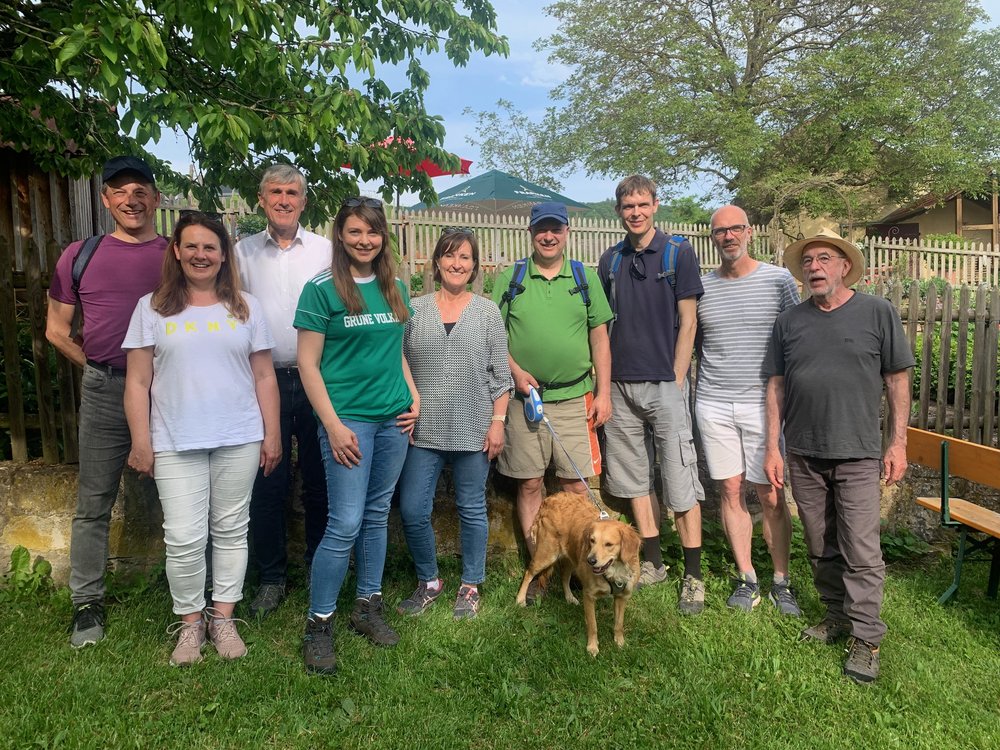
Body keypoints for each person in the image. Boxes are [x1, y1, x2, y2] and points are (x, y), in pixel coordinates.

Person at [122, 212, 281, 666]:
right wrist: (140, 441)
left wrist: (272, 434)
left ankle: (223, 618)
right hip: (174, 439)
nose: (200, 255)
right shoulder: (151, 308)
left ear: (223, 255)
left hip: (239, 436)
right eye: (191, 246)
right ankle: (190, 624)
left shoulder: (246, 307)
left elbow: (264, 375)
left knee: (231, 530)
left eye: (210, 247)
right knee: (184, 537)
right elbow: (137, 382)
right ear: (176, 252)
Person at [763, 228, 913, 683]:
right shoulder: (789, 321)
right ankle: (836, 614)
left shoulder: (877, 312)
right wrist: (773, 447)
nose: (815, 267)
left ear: (845, 266)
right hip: (803, 452)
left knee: (861, 548)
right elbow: (776, 386)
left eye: (824, 258)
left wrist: (898, 443)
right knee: (819, 542)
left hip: (858, 453)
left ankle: (866, 638)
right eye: (808, 261)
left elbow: (897, 380)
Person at [45, 156, 167, 648]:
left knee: (186, 495)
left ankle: (192, 591)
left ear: (155, 199)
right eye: (120, 191)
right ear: (105, 199)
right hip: (105, 390)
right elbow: (56, 330)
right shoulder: (81, 255)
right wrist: (99, 368)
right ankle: (87, 603)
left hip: (169, 392)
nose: (131, 200)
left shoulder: (176, 255)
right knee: (93, 502)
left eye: (140, 191)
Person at [295, 197, 418, 676]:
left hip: (394, 420)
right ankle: (319, 623)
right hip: (349, 422)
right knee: (344, 521)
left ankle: (367, 605)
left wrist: (413, 396)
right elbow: (308, 364)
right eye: (354, 232)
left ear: (383, 236)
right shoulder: (321, 289)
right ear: (340, 236)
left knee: (376, 514)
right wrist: (332, 425)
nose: (364, 241)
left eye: (372, 232)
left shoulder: (395, 287)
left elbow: (396, 351)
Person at [492, 202, 613, 603]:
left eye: (555, 229)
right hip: (524, 400)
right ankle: (540, 570)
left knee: (576, 486)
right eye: (541, 229)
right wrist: (514, 373)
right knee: (529, 483)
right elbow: (494, 335)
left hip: (575, 398)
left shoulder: (583, 277)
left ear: (566, 232)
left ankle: (579, 567)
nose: (548, 236)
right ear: (530, 233)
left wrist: (604, 392)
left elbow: (600, 338)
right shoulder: (512, 278)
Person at [596, 175, 706, 614]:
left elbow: (689, 321)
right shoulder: (610, 260)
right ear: (619, 211)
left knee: (680, 479)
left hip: (665, 384)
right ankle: (654, 564)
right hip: (621, 385)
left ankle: (693, 576)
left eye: (642, 204)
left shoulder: (678, 253)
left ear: (655, 206)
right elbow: (602, 325)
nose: (636, 213)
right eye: (628, 206)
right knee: (635, 480)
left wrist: (676, 378)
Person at [396, 229, 513, 620]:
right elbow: (398, 361)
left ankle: (471, 584)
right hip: (423, 429)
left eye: (465, 257)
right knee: (412, 508)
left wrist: (498, 422)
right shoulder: (414, 310)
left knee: (472, 508)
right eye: (449, 255)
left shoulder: (487, 312)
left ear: (474, 266)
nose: (457, 264)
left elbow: (501, 375)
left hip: (474, 427)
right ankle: (429, 580)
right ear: (436, 262)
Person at [235, 164, 330, 618]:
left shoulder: (326, 252)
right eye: (275, 192)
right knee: (267, 483)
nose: (284, 200)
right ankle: (271, 578)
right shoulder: (242, 254)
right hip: (263, 382)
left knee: (319, 481)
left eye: (292, 193)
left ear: (304, 201)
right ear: (261, 199)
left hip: (318, 380)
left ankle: (318, 568)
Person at [695, 205, 801, 614]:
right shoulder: (702, 288)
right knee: (730, 490)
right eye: (720, 231)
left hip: (764, 404)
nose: (728, 236)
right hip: (714, 402)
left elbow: (796, 337)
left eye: (735, 228)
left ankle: (781, 581)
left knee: (771, 494)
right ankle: (746, 578)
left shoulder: (778, 280)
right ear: (713, 238)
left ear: (750, 232)